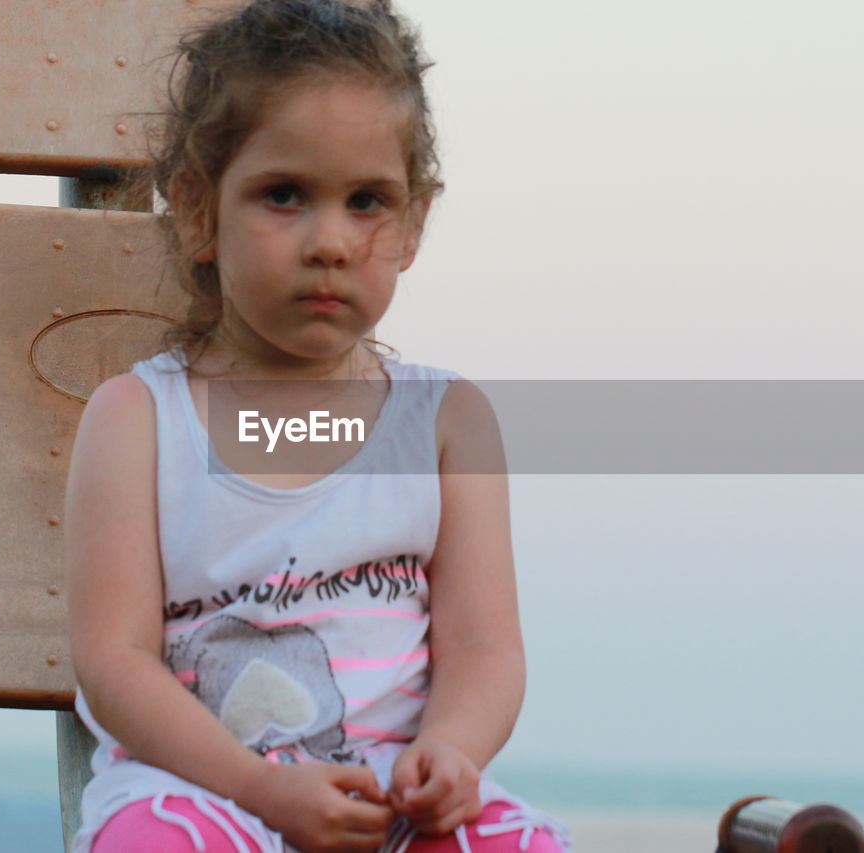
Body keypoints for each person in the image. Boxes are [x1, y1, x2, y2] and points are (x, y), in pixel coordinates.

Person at [64, 1, 571, 850]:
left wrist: (450, 749)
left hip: (394, 799)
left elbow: (485, 648)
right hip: (206, 793)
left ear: (412, 224)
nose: (330, 241)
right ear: (197, 210)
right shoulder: (138, 420)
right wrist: (261, 788)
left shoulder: (446, 424)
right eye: (285, 195)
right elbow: (114, 663)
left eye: (368, 200)